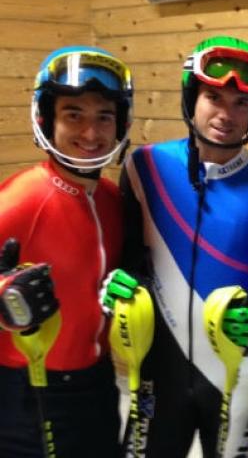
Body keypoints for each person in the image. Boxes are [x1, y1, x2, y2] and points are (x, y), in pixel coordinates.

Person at [104, 35, 248, 457]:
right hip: (157, 370)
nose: (226, 114)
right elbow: (123, 255)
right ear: (191, 98)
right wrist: (112, 282)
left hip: (234, 374)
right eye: (213, 97)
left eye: (241, 103)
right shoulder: (145, 165)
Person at [0, 45, 132, 457]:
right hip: (26, 393)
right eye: (74, 114)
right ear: (46, 119)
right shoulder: (22, 198)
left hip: (97, 386)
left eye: (104, 117)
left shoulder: (112, 198)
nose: (91, 133)